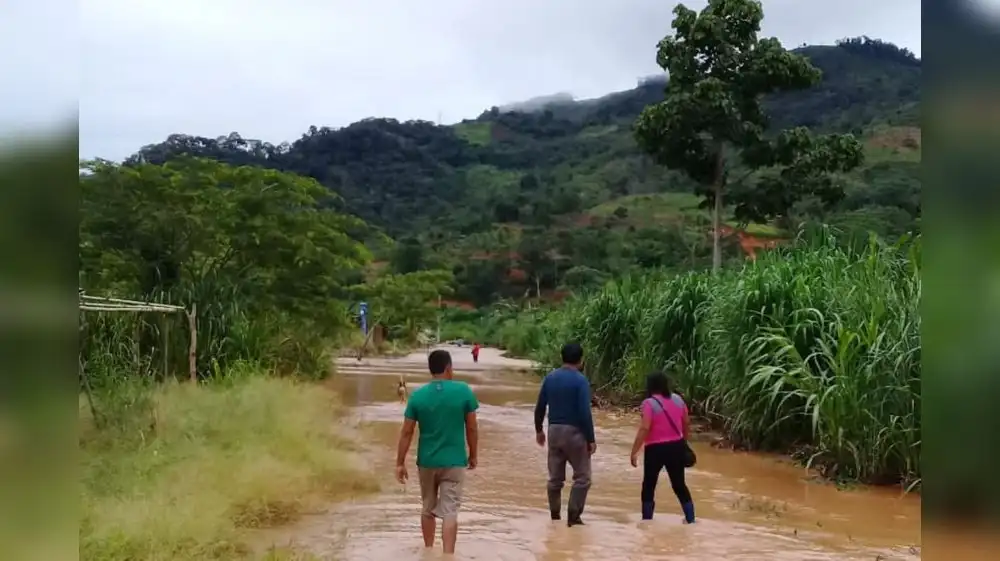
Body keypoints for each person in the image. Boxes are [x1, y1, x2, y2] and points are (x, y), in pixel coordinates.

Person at [395, 350, 480, 554]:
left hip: (427, 461)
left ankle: (428, 552)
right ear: (449, 368)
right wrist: (474, 454)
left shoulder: (418, 396)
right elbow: (472, 427)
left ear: (431, 370)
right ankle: (448, 555)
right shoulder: (463, 391)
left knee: (427, 508)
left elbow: (407, 431)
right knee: (450, 511)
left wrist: (400, 462)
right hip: (454, 461)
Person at [534, 342, 596, 527]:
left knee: (555, 478)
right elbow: (584, 412)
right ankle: (573, 517)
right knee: (583, 478)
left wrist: (539, 430)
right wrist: (591, 439)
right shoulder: (580, 380)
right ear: (581, 360)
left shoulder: (550, 378)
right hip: (575, 432)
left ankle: (555, 517)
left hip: (554, 431)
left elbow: (540, 407)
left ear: (562, 357)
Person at [629, 371, 695, 523]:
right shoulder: (678, 400)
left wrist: (634, 451)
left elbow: (645, 427)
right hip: (676, 446)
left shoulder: (648, 403)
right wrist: (683, 442)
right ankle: (691, 520)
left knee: (649, 485)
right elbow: (686, 423)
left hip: (655, 449)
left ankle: (647, 521)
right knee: (679, 485)